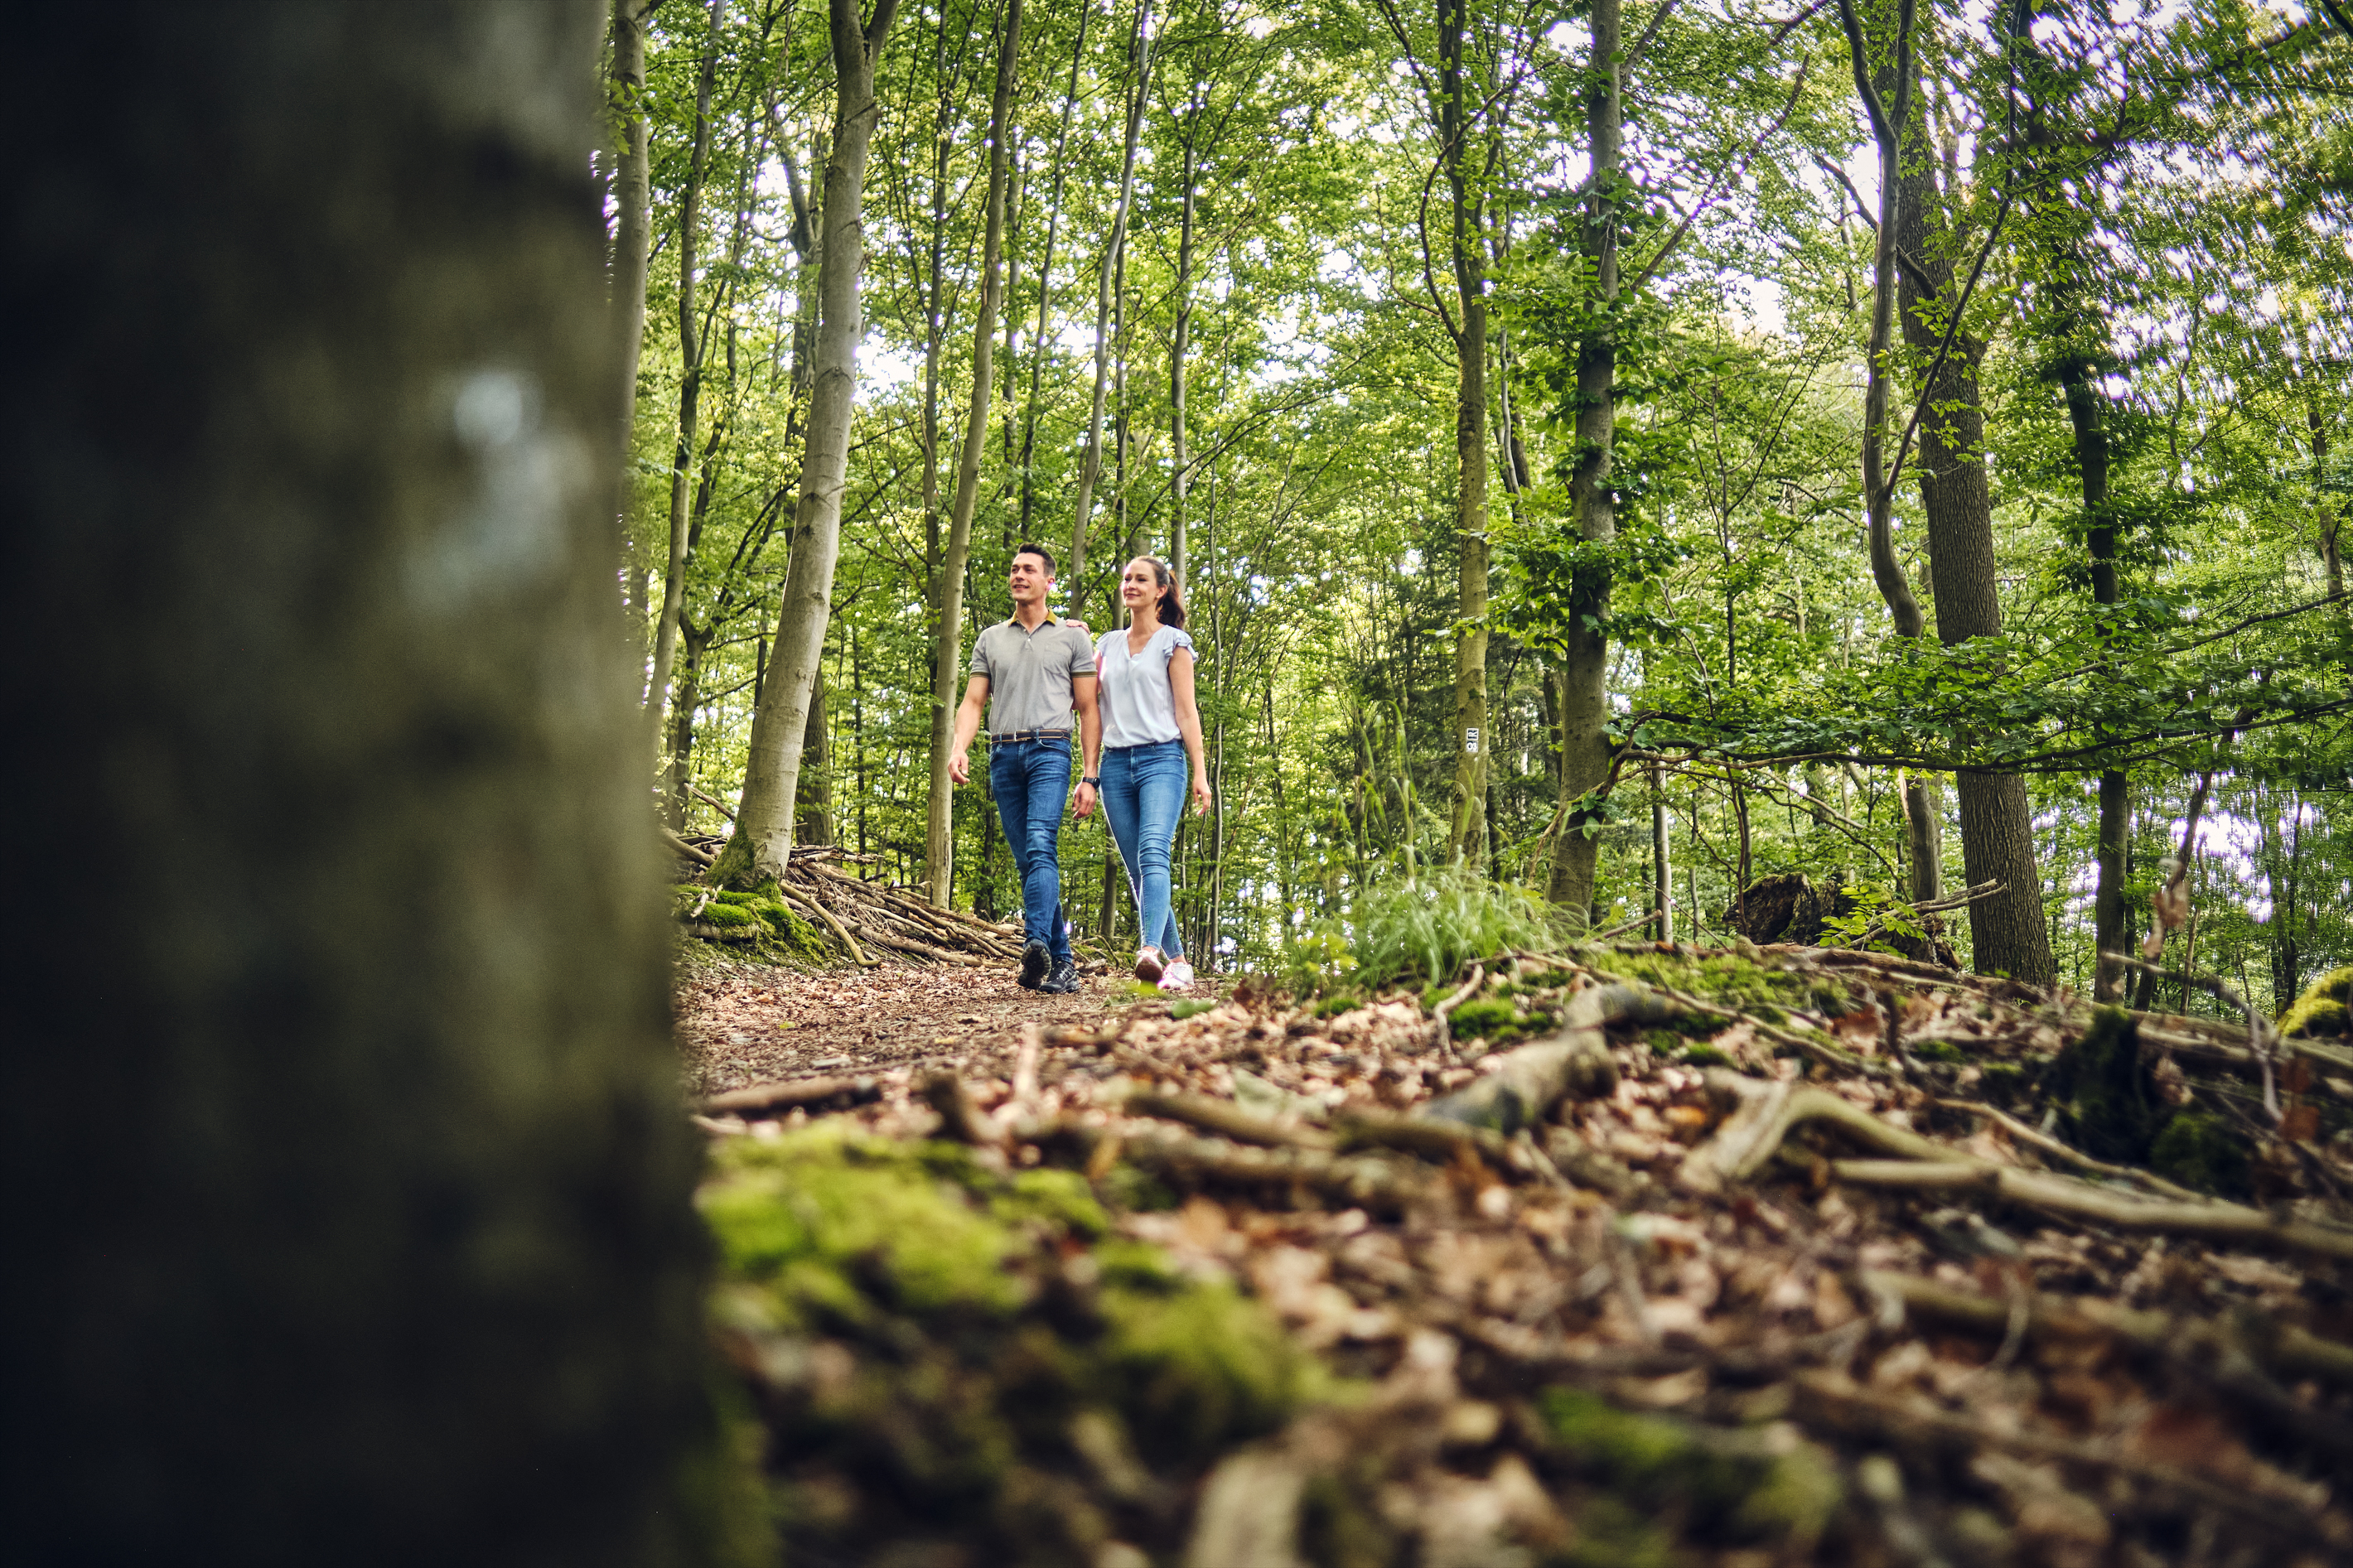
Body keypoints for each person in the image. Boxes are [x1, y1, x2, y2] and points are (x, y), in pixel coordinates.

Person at [949, 543, 1101, 994]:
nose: (1018, 575)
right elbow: (973, 701)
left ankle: (1035, 943)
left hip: (1050, 750)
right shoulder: (991, 638)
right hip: (1002, 755)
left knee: (1039, 844)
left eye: (1028, 570)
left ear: (1049, 581)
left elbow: (1089, 710)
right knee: (1030, 860)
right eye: (1014, 569)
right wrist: (960, 747)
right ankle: (1063, 964)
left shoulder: (1073, 637)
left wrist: (1090, 775)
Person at [1082, 556, 1211, 991]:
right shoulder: (1106, 645)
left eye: (1140, 579)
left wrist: (1200, 772)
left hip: (1163, 761)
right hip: (1117, 765)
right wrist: (1091, 773)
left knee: (1154, 851)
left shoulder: (1174, 643)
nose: (1130, 585)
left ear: (1160, 591)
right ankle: (1178, 962)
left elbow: (1187, 712)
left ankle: (1148, 950)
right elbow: (1087, 707)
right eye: (1126, 579)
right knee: (1139, 869)